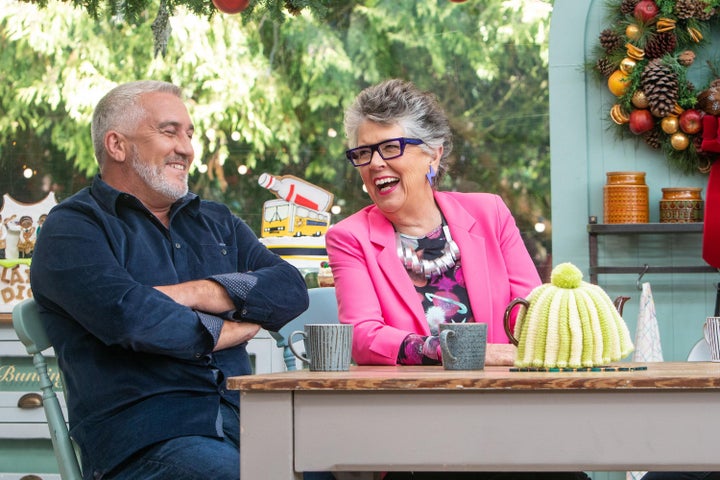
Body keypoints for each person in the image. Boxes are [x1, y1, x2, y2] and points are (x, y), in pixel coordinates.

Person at [30, 80, 309, 480]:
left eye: (189, 134)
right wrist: (231, 327)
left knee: (346, 466)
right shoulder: (73, 228)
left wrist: (198, 291)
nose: (187, 149)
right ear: (116, 145)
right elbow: (131, 317)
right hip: (147, 438)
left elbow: (289, 288)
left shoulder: (215, 220)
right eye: (169, 131)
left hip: (247, 420)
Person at [325, 79, 588, 480]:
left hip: (510, 421)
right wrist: (456, 352)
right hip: (414, 436)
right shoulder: (350, 237)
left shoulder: (490, 213)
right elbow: (362, 337)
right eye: (363, 153)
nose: (375, 163)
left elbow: (533, 315)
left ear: (433, 155)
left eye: (391, 147)